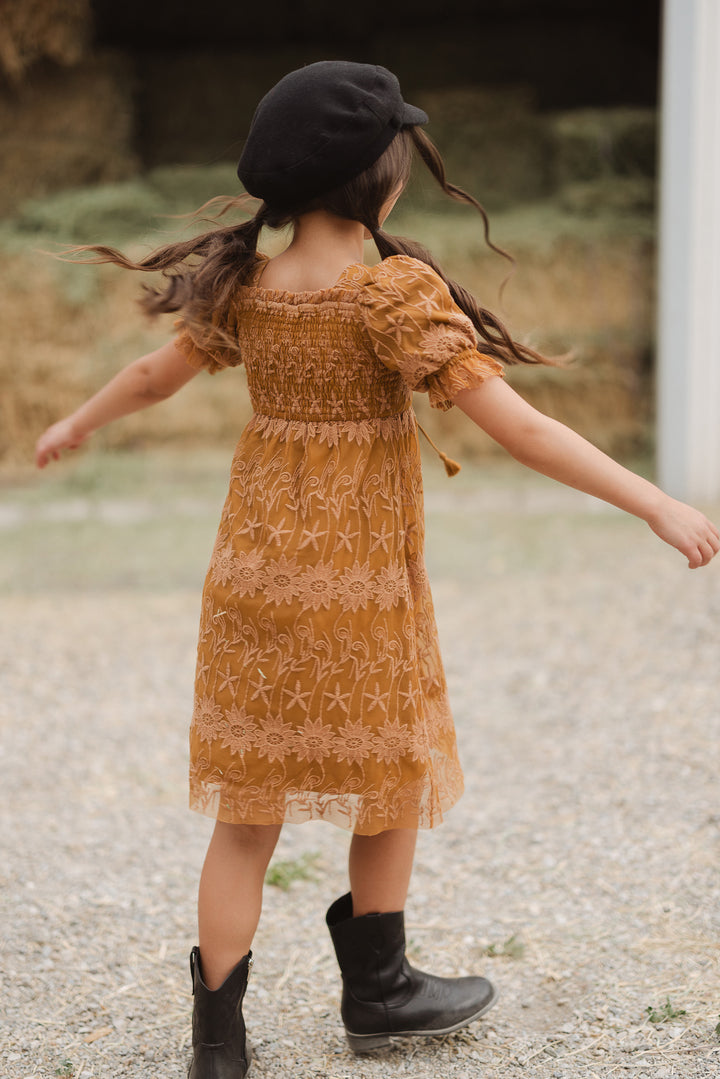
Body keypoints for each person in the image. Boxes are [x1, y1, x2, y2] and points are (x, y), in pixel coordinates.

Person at [35, 61, 718, 1078]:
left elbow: (150, 375)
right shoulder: (394, 292)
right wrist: (654, 500)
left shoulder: (247, 285)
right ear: (381, 182)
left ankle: (218, 1041)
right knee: (390, 775)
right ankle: (381, 991)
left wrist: (77, 421)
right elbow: (520, 428)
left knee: (245, 814)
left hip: (253, 584)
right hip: (362, 587)